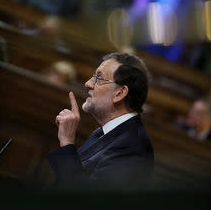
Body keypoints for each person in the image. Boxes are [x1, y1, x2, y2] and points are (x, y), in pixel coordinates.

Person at [46, 52, 154, 191]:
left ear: (120, 93)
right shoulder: (108, 132)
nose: (88, 84)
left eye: (99, 78)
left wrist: (67, 142)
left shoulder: (133, 148)